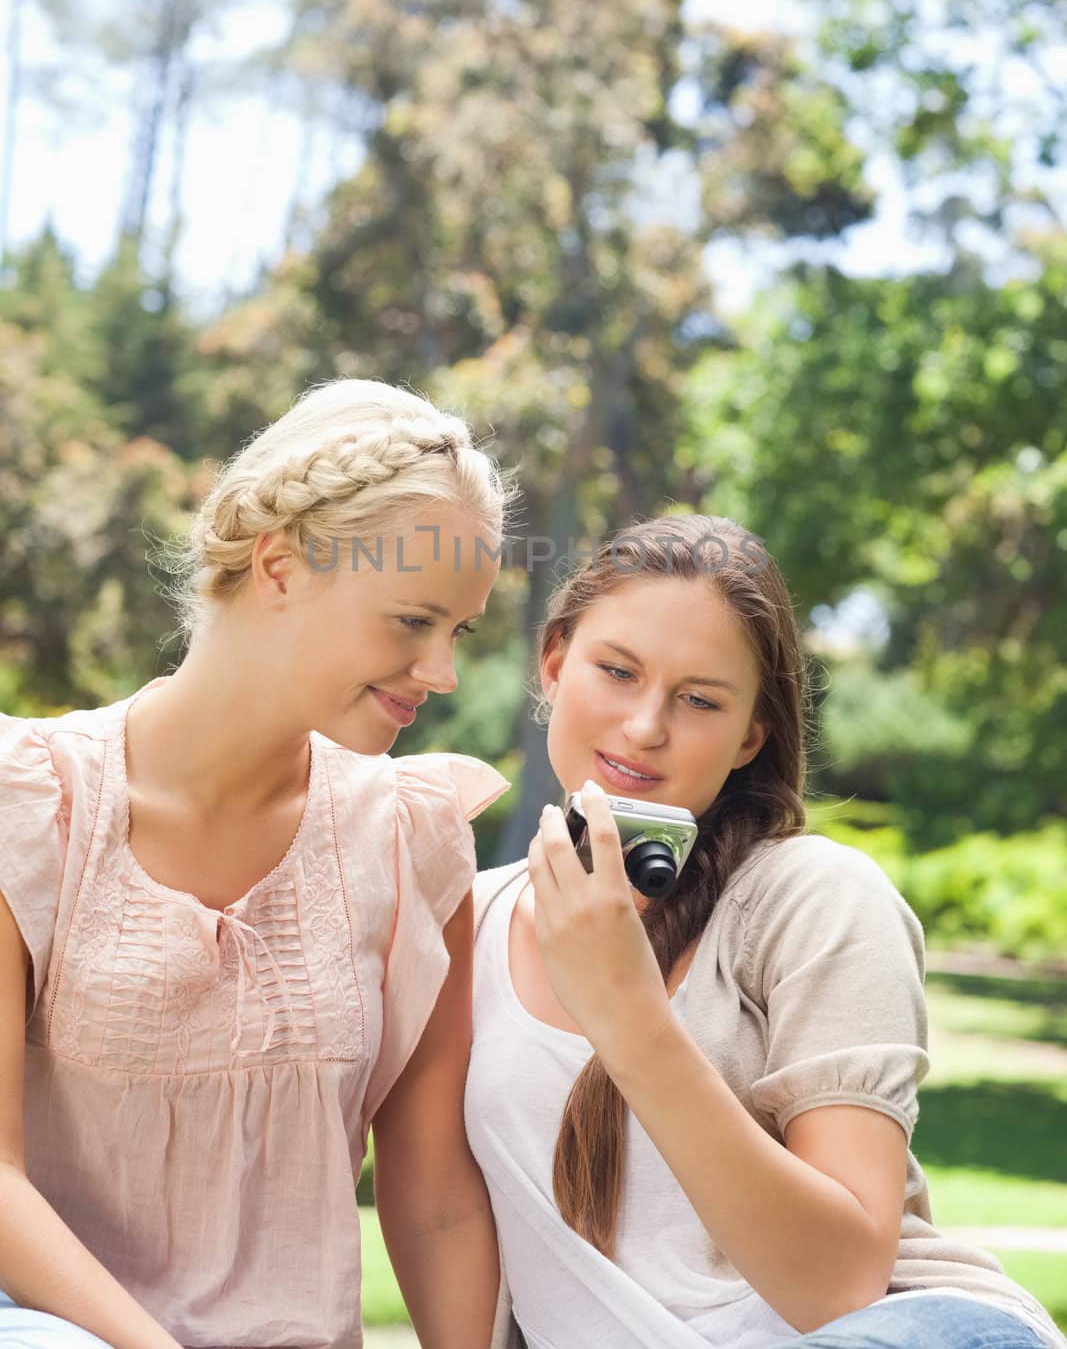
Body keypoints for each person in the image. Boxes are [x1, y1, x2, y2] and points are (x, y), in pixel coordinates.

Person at [0, 378, 515, 1349]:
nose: (442, 671)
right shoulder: (29, 803)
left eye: (459, 630)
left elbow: (434, 1192)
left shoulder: (412, 834)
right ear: (278, 565)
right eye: (413, 619)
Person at [466, 515, 1064, 1349]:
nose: (645, 725)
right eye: (616, 671)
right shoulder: (464, 922)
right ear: (555, 663)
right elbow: (435, 1221)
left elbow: (838, 1286)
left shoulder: (815, 900)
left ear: (752, 733)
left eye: (699, 699)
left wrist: (627, 1012)